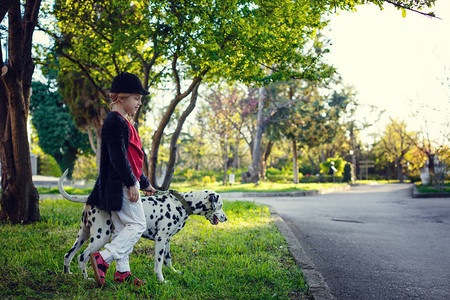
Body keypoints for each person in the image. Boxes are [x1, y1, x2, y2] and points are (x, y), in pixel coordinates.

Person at [87, 72, 156, 286]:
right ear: (120, 97)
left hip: (123, 183)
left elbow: (132, 159)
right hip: (119, 186)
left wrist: (144, 183)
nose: (139, 103)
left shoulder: (123, 122)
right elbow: (118, 158)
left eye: (140, 99)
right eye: (136, 98)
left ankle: (122, 273)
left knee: (121, 229)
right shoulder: (114, 122)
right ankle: (103, 258)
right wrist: (131, 184)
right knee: (137, 225)